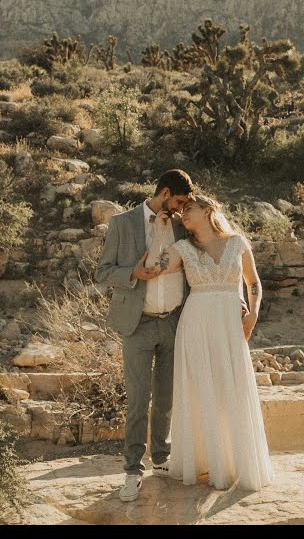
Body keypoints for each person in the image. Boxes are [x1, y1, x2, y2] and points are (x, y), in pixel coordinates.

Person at [136, 194, 274, 491]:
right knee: (201, 391)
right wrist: (160, 232)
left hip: (229, 324)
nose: (183, 214)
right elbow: (152, 267)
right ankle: (205, 463)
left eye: (189, 209)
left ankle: (236, 463)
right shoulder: (182, 248)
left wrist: (253, 315)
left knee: (232, 387)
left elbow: (254, 283)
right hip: (196, 323)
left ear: (208, 210)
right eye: (181, 210)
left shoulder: (237, 242)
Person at [93, 169, 195, 502]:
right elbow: (101, 272)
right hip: (137, 323)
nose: (180, 209)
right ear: (165, 193)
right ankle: (132, 469)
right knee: (138, 400)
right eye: (178, 202)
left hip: (173, 322)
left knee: (165, 398)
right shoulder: (122, 223)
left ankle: (161, 460)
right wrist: (134, 272)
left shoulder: (182, 225)